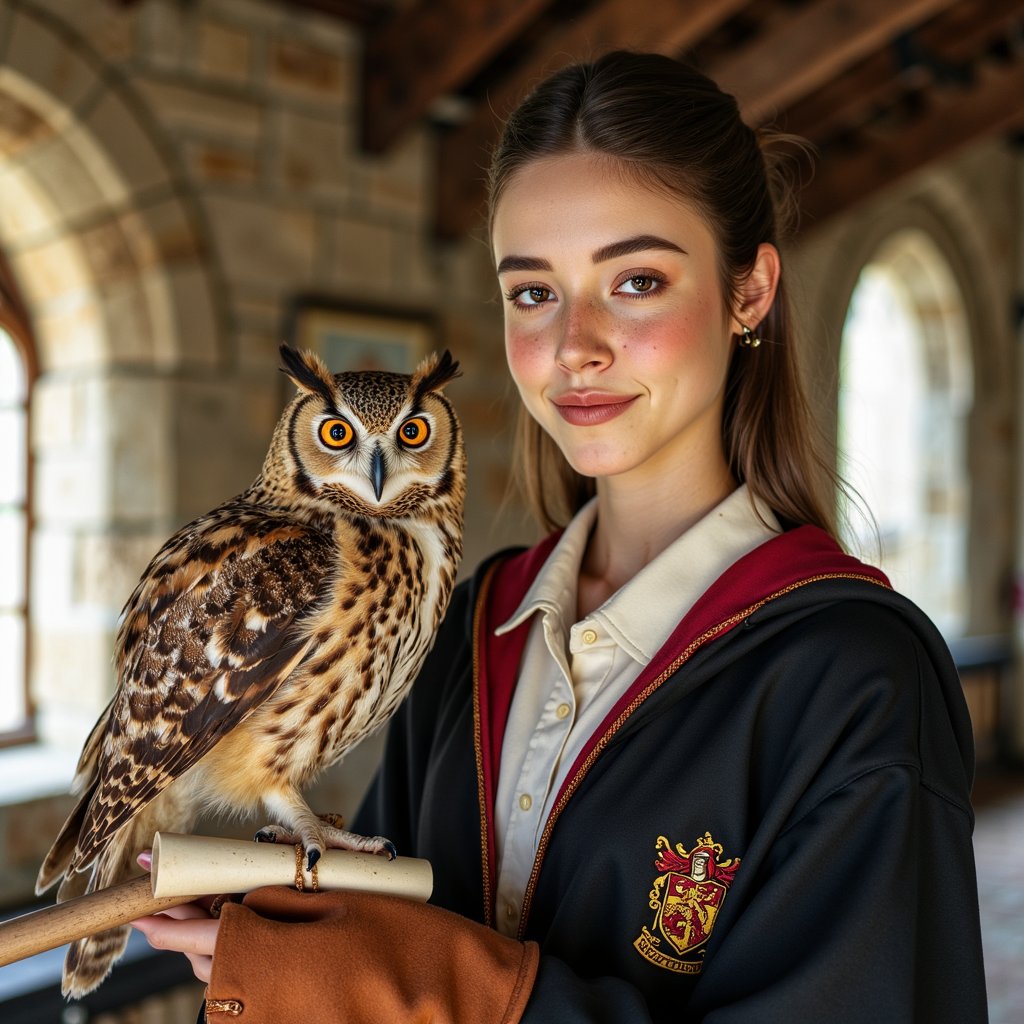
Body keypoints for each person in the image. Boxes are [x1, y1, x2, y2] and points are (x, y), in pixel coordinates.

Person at [132, 51, 988, 1022]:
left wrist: (429, 990)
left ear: (748, 292)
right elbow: (375, 937)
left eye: (634, 280)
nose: (574, 342)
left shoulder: (855, 676)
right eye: (533, 291)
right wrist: (288, 930)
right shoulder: (470, 628)